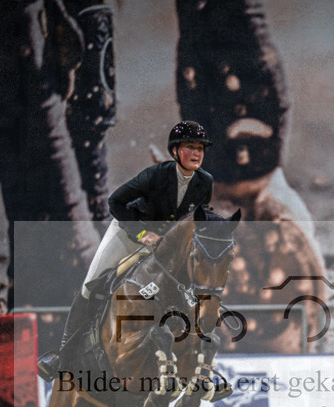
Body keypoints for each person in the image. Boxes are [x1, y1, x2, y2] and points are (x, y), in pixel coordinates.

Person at [36, 120, 214, 381]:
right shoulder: (156, 175)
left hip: (164, 246)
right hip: (128, 234)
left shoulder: (205, 182)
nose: (197, 153)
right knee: (90, 286)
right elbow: (115, 201)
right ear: (175, 151)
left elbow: (195, 222)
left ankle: (199, 360)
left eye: (200, 148)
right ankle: (63, 356)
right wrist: (142, 233)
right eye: (191, 147)